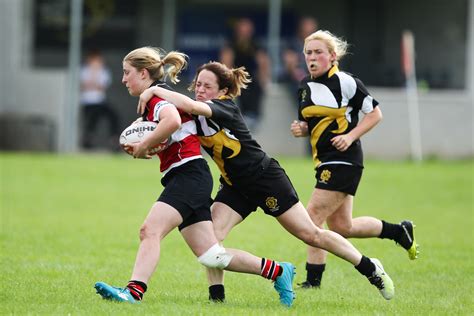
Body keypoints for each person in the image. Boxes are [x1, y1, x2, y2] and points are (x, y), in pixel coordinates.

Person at [138, 61, 395, 302]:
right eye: (198, 85)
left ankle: (369, 266)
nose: (200, 90)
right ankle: (216, 298)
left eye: (207, 86)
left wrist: (152, 91)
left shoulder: (225, 106)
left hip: (265, 179)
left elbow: (191, 107)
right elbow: (175, 123)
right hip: (235, 187)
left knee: (310, 234)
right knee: (212, 244)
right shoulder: (194, 113)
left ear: (224, 91)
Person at [94, 47, 296, 307]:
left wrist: (145, 144)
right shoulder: (154, 102)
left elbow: (172, 121)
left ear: (143, 73)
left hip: (188, 176)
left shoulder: (158, 101)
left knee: (150, 230)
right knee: (212, 256)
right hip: (188, 176)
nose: (123, 79)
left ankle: (133, 292)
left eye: (126, 73)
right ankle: (278, 271)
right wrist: (144, 143)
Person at [290, 30, 419, 289]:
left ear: (332, 56)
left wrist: (350, 137)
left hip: (344, 159)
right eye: (308, 52)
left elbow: (375, 114)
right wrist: (301, 129)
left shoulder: (346, 81)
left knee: (312, 216)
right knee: (342, 226)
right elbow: (309, 122)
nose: (312, 57)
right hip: (323, 160)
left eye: (318, 52)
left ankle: (313, 281)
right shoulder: (304, 85)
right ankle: (398, 231)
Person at [219, 17, 270, 131]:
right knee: (240, 88)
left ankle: (253, 116)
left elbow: (263, 61)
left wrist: (264, 78)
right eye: (242, 30)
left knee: (256, 87)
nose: (245, 33)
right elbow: (226, 62)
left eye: (247, 30)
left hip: (252, 78)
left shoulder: (255, 44)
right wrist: (229, 79)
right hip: (236, 77)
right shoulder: (231, 43)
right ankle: (244, 117)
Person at [80, 49, 120, 151]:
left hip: (100, 101)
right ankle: (88, 140)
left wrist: (93, 79)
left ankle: (114, 140)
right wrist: (93, 75)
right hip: (87, 102)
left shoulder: (104, 71)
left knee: (114, 116)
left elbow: (101, 86)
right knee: (92, 119)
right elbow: (84, 85)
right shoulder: (83, 70)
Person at [281, 16, 319, 99]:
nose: (309, 36)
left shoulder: (320, 46)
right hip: (296, 81)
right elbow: (290, 64)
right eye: (306, 32)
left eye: (311, 32)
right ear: (301, 31)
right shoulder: (293, 44)